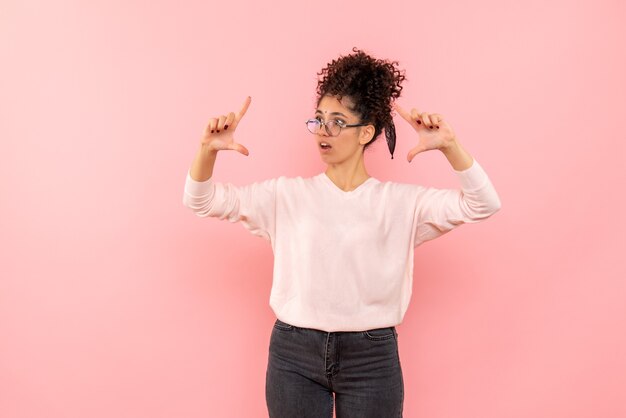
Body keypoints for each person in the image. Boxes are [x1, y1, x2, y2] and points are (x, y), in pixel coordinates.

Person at [182, 47, 501, 418]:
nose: (323, 131)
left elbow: (484, 204)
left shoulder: (400, 204)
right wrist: (207, 150)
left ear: (366, 132)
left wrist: (450, 147)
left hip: (372, 358)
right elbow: (199, 201)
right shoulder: (285, 196)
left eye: (337, 121)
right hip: (293, 355)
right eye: (318, 120)